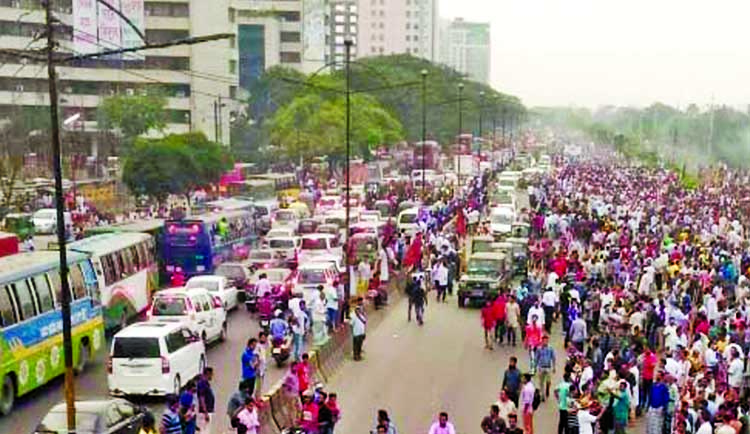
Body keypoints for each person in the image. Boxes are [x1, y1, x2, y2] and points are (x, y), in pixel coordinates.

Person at [535, 335, 556, 401]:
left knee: (548, 381)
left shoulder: (550, 348)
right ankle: (542, 395)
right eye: (544, 341)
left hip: (548, 367)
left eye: (546, 341)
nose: (545, 342)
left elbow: (553, 357)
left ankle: (547, 388)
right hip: (541, 367)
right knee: (541, 382)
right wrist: (535, 367)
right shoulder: (539, 349)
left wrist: (554, 367)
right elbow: (536, 358)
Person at [197, 367, 215, 434]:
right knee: (205, 431)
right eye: (211, 374)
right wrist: (206, 412)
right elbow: (202, 398)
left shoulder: (206, 383)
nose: (212, 376)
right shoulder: (202, 384)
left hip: (208, 410)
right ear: (208, 374)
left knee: (206, 430)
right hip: (205, 412)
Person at [255, 332, 269, 398]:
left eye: (264, 338)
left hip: (263, 368)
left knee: (261, 383)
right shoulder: (257, 346)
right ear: (259, 338)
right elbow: (257, 357)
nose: (264, 339)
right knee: (258, 384)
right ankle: (257, 397)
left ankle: (259, 396)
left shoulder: (265, 346)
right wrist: (257, 368)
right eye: (262, 337)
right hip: (259, 368)